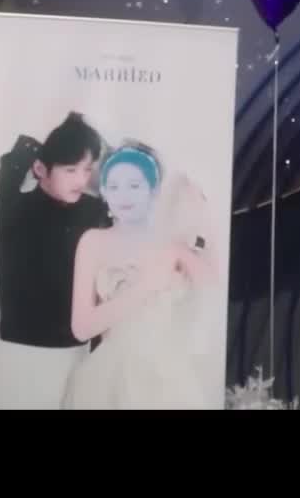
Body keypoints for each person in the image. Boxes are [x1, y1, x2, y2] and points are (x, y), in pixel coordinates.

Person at [61, 142, 218, 409]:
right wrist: (146, 286)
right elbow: (82, 328)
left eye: (134, 185)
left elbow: (213, 287)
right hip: (110, 377)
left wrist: (201, 215)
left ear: (153, 190)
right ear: (104, 194)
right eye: (113, 187)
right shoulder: (93, 241)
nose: (123, 196)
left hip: (167, 379)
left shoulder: (171, 246)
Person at [0, 113, 112, 408]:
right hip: (22, 349)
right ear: (41, 169)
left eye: (87, 169)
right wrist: (39, 143)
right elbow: (11, 167)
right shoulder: (12, 211)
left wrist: (83, 132)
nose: (81, 179)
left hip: (79, 350)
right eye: (70, 170)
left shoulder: (94, 210)